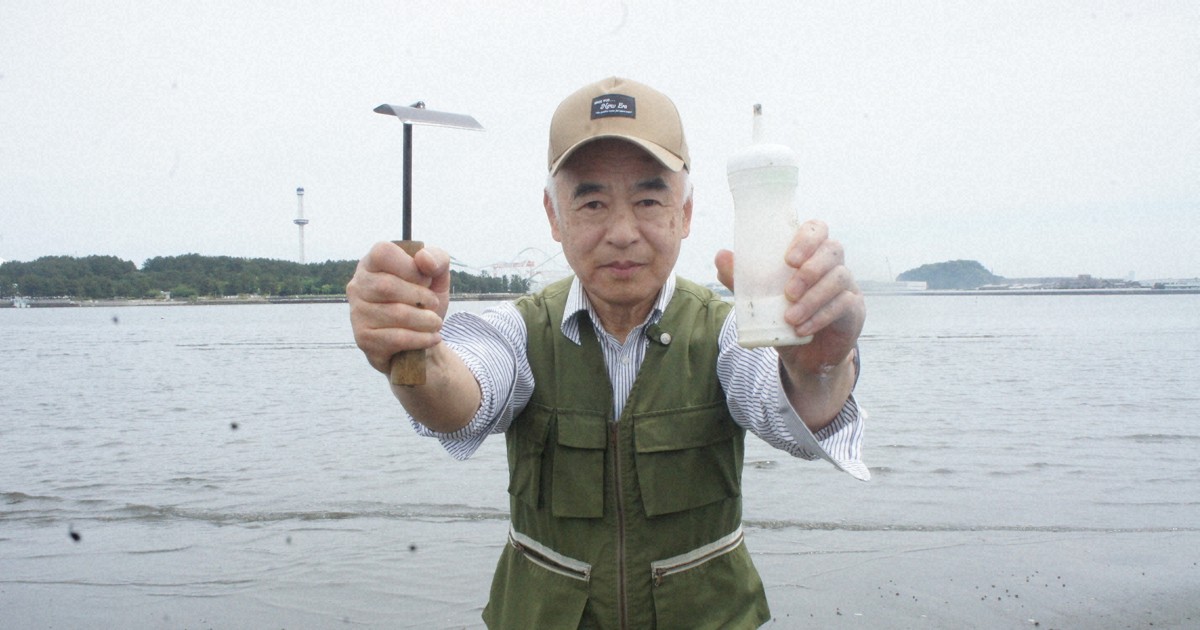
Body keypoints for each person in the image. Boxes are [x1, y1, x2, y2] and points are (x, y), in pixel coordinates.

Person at [347, 76, 868, 629]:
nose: (623, 232)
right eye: (592, 201)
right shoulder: (520, 330)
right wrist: (416, 353)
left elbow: (790, 409)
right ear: (554, 216)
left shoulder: (727, 332)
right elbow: (461, 395)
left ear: (685, 214)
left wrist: (822, 364)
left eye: (648, 199)